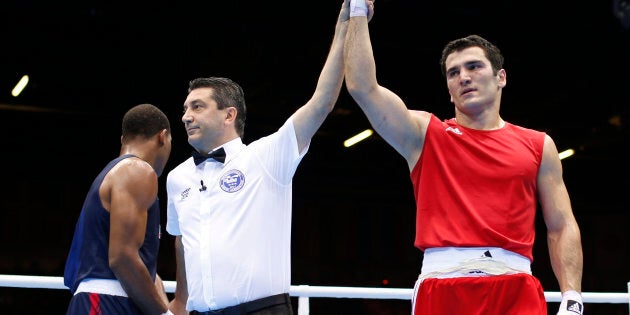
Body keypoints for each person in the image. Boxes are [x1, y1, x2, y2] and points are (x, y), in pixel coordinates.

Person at [343, 1, 584, 314]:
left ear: (501, 77)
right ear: (448, 88)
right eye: (453, 72)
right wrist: (358, 11)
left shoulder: (539, 145)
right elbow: (363, 87)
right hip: (443, 286)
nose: (464, 77)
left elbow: (562, 224)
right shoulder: (424, 134)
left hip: (514, 287)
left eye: (474, 67)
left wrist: (572, 296)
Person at [164, 1, 373, 314]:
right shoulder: (176, 177)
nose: (185, 117)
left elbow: (321, 103)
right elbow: (182, 242)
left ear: (228, 115)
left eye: (197, 107)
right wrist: (180, 302)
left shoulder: (265, 156)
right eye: (184, 109)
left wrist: (345, 25)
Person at [64, 103, 174, 315]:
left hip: (111, 300)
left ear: (123, 140)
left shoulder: (117, 172)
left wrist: (165, 307)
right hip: (108, 301)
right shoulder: (137, 171)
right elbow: (123, 258)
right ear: (163, 137)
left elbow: (140, 263)